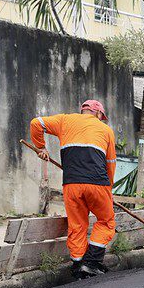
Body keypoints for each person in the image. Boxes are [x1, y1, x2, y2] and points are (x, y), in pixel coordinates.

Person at [30, 100, 117, 277]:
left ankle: (78, 265)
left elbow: (36, 123)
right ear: (99, 114)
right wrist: (108, 188)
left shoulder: (64, 121)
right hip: (97, 184)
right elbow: (110, 163)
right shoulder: (106, 130)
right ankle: (92, 262)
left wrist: (41, 147)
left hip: (71, 184)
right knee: (106, 222)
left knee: (77, 225)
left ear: (83, 111)